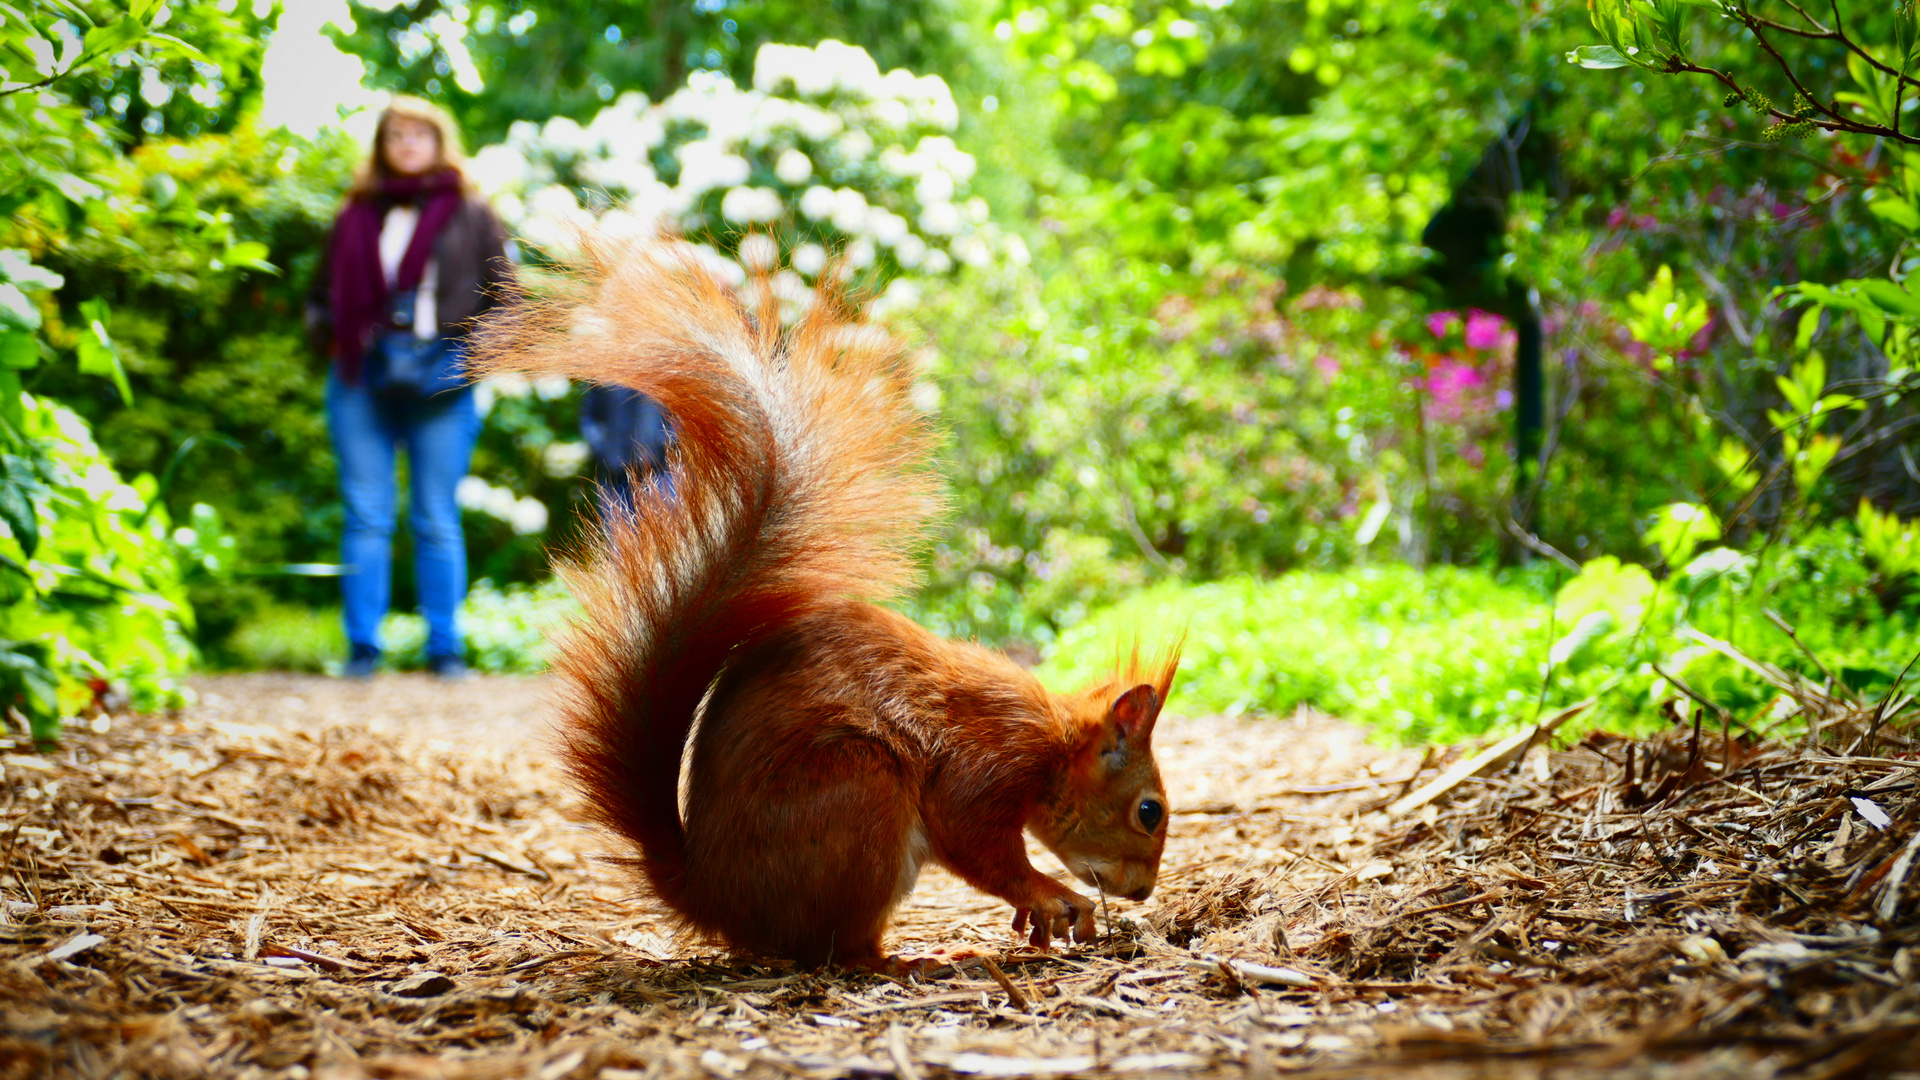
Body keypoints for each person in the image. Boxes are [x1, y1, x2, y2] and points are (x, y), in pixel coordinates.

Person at [306, 97, 514, 679]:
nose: (407, 143)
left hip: (443, 379)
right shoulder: (354, 215)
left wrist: (465, 361)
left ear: (439, 141)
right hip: (361, 379)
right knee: (367, 515)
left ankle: (445, 649)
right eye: (395, 134)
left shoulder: (473, 212)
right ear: (381, 145)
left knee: (434, 515)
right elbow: (318, 297)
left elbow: (508, 302)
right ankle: (362, 649)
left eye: (419, 133)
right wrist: (334, 338)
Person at [580, 384, 675, 522]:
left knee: (665, 531)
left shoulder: (665, 367)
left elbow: (682, 415)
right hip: (615, 475)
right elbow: (589, 416)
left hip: (659, 472)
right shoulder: (606, 372)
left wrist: (664, 444)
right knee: (617, 536)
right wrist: (603, 449)